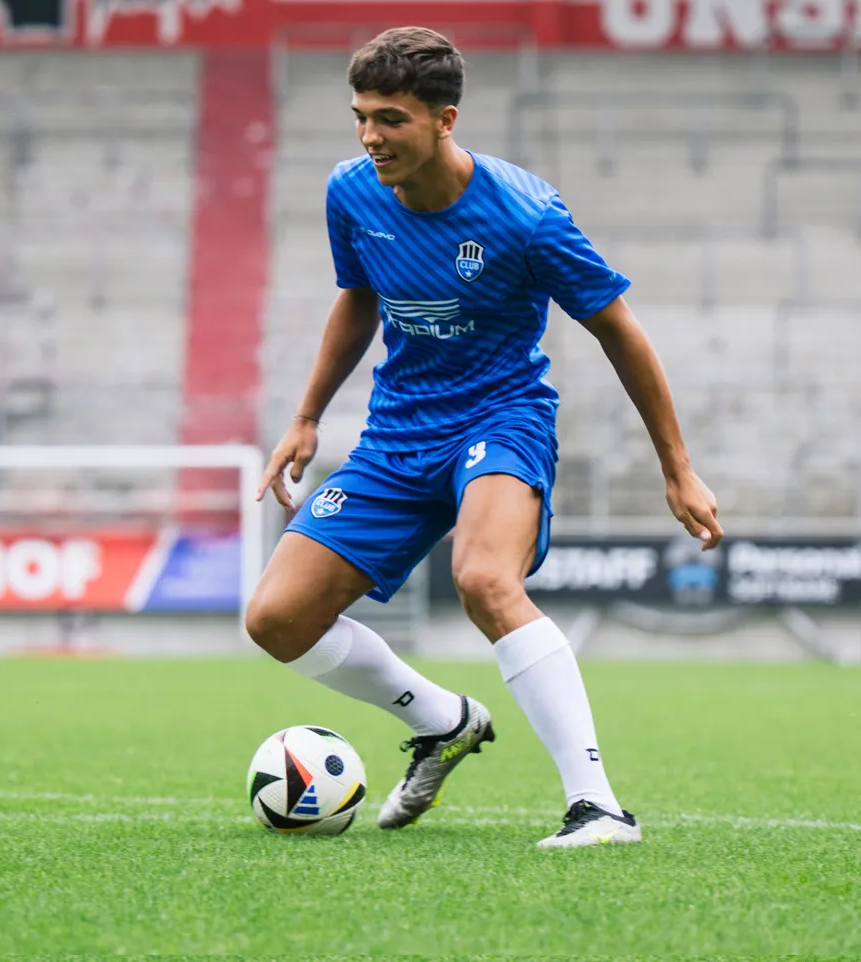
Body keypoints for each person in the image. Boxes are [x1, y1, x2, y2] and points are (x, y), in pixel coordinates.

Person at [247, 26, 723, 848]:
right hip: (398, 433)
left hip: (501, 418)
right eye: (360, 117)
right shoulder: (351, 191)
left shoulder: (526, 215)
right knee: (276, 618)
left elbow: (620, 330)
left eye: (390, 119)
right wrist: (307, 415)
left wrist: (677, 469)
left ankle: (598, 807)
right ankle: (443, 721)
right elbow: (357, 297)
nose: (369, 137)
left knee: (483, 580)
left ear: (445, 120)